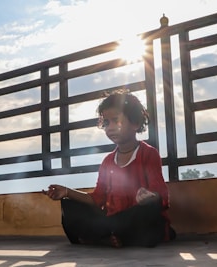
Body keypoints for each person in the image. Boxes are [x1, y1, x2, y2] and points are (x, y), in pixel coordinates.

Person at [43, 89, 175, 248]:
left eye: (116, 120)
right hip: (114, 221)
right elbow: (97, 198)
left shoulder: (148, 154)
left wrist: (149, 196)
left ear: (136, 123)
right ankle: (111, 235)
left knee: (149, 210)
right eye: (106, 123)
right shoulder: (107, 162)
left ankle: (104, 236)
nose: (110, 127)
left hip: (136, 220)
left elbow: (161, 195)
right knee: (69, 206)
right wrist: (67, 192)